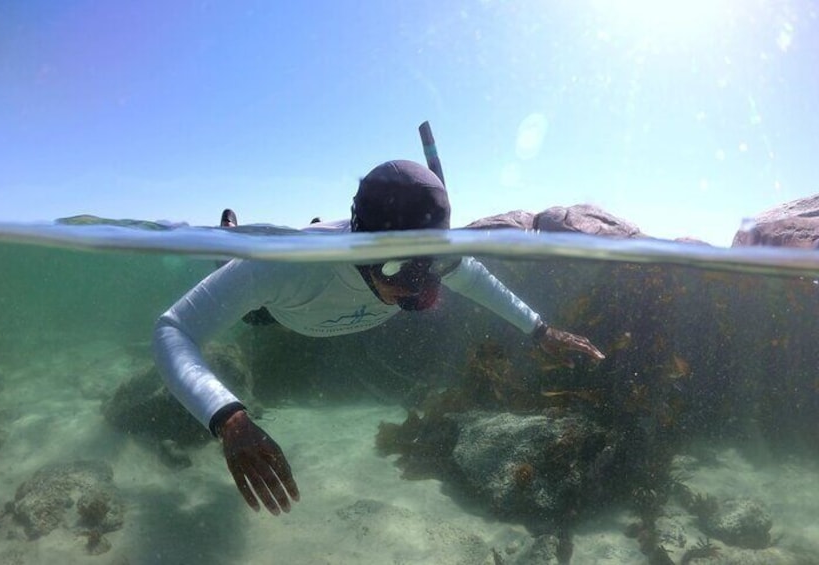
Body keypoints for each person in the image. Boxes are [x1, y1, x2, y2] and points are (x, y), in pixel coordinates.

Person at [153, 160, 605, 516]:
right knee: (243, 294)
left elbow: (475, 278)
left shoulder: (436, 259)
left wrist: (540, 330)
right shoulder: (280, 267)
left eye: (424, 267)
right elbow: (173, 329)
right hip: (279, 311)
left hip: (317, 301)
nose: (413, 287)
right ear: (362, 246)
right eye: (397, 268)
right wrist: (227, 418)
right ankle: (228, 239)